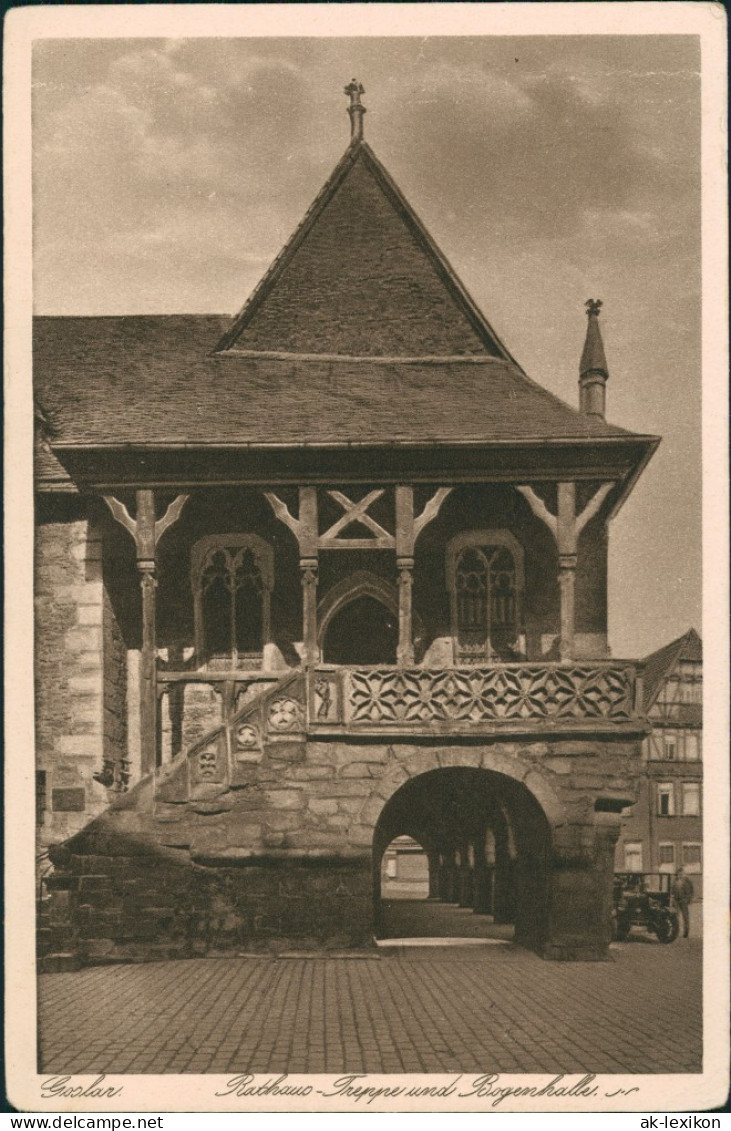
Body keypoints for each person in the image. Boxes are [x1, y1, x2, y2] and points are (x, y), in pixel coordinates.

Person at [671, 868, 694, 938]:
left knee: (685, 917)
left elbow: (691, 891)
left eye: (681, 874)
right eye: (678, 874)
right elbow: (672, 890)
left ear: (683, 874)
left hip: (684, 900)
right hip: (676, 901)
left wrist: (688, 899)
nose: (679, 876)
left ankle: (686, 932)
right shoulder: (675, 881)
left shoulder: (688, 881)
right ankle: (675, 932)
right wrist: (672, 898)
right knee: (675, 916)